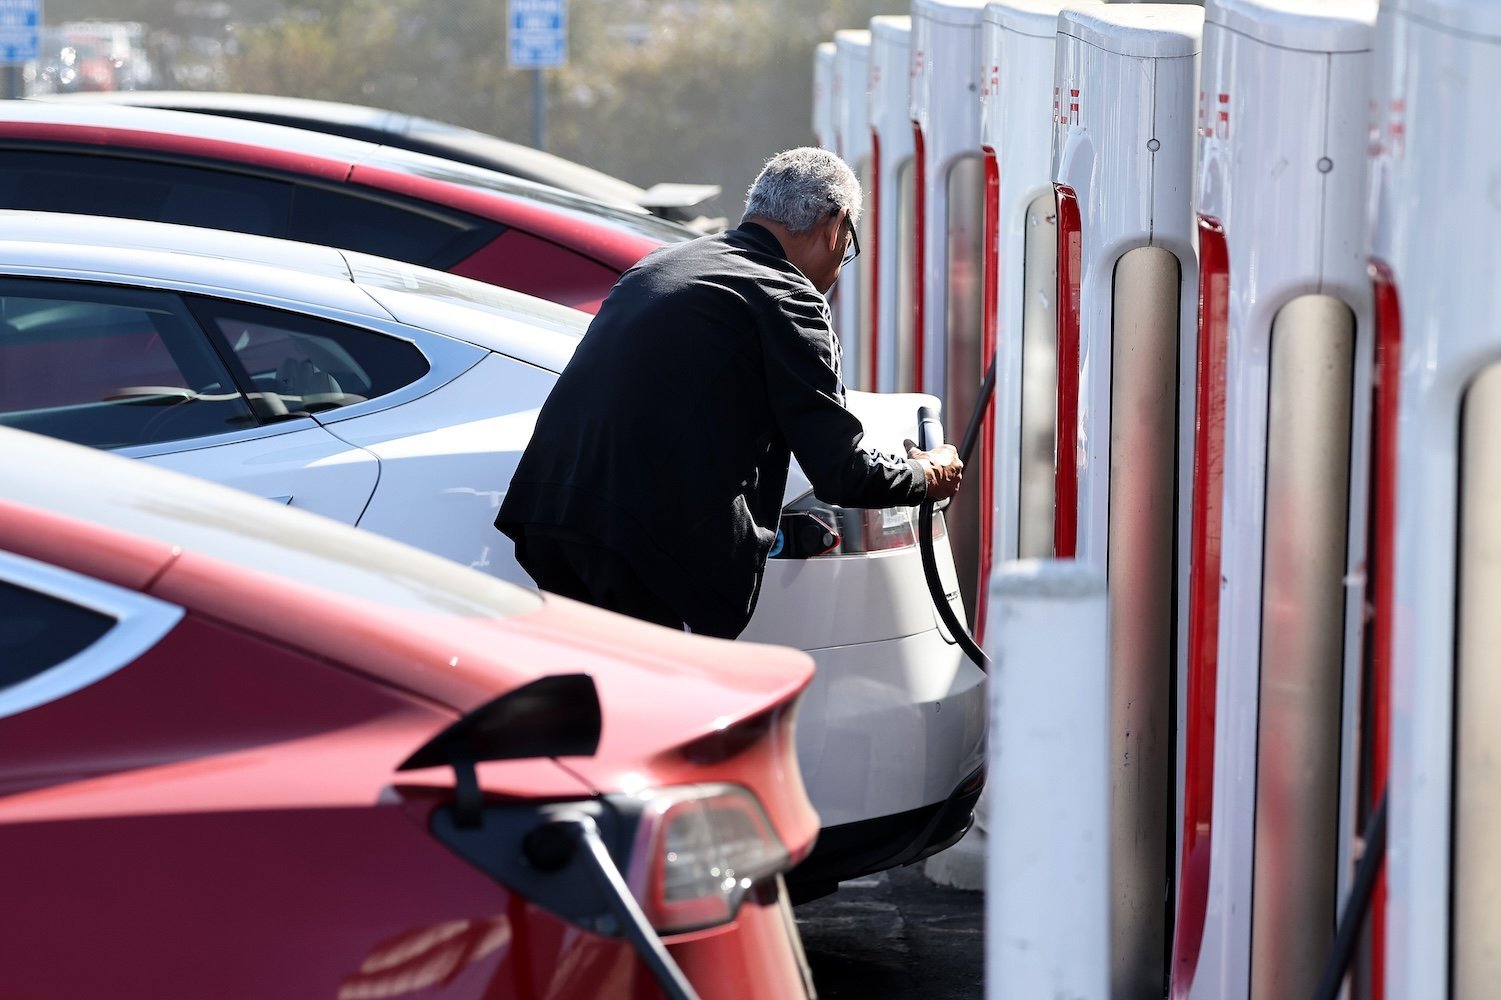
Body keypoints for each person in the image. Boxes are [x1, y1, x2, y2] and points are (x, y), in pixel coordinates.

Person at [495, 146, 963, 639]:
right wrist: (925, 474)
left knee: (602, 697)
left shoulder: (661, 264)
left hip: (549, 514)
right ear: (835, 225)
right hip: (641, 542)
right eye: (848, 245)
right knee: (664, 703)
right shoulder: (787, 295)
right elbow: (841, 472)